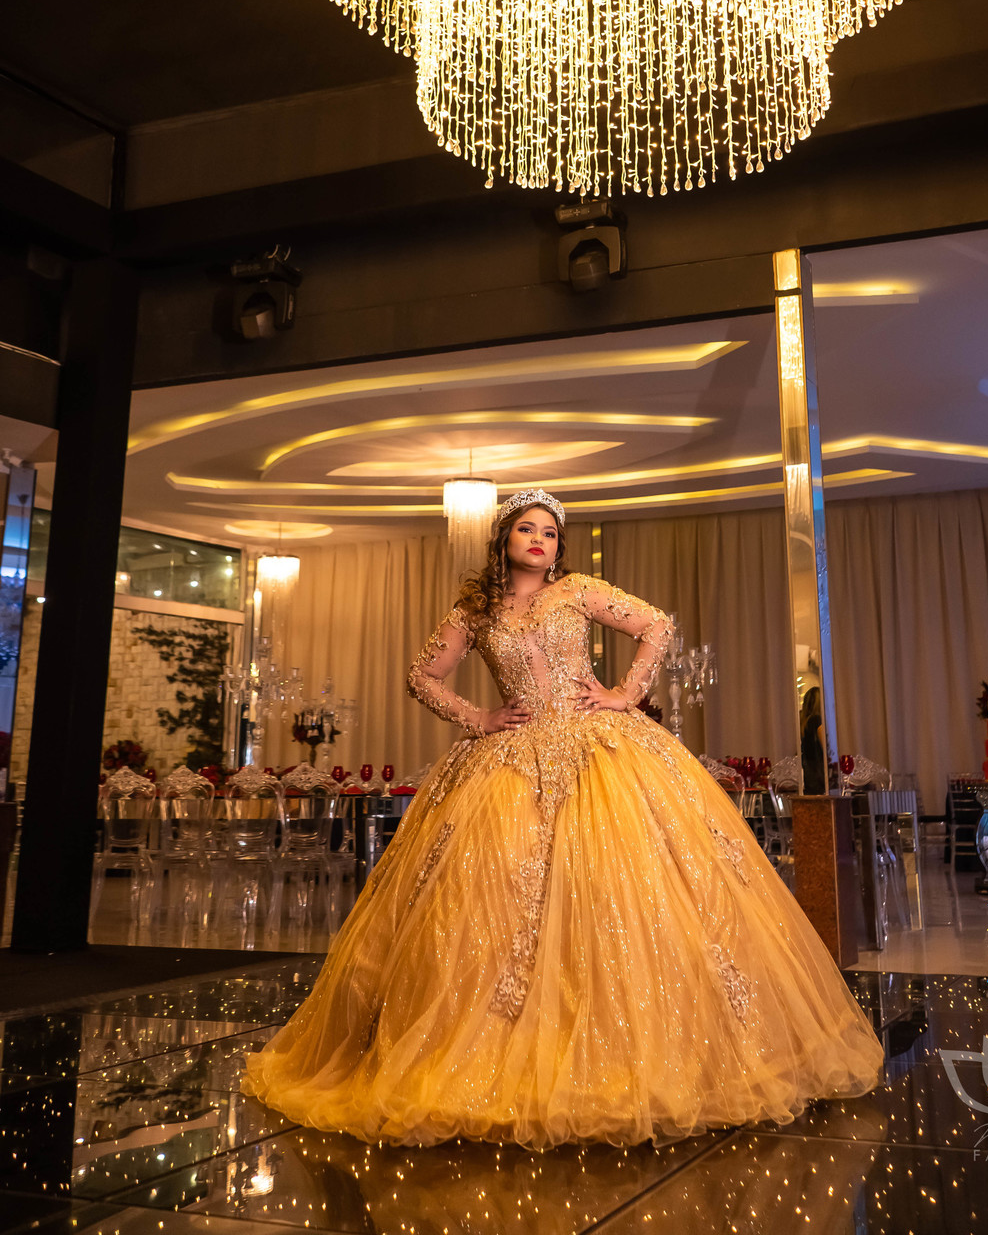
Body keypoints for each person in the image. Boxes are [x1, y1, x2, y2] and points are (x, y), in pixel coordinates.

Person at [244, 489, 883, 1147]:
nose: (539, 540)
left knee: (621, 889)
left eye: (550, 532)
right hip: (508, 760)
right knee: (490, 895)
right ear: (505, 539)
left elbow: (657, 625)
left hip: (599, 749)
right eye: (527, 528)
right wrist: (479, 717)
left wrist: (624, 694)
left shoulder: (578, 590)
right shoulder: (475, 610)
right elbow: (421, 676)